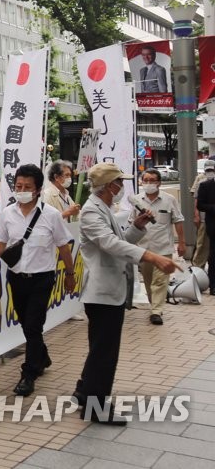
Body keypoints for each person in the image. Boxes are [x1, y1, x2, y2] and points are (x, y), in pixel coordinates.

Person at [74, 163, 178, 424]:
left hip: (111, 290)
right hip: (102, 292)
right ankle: (96, 407)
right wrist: (151, 256)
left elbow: (121, 241)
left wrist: (137, 226)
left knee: (101, 348)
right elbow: (109, 244)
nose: (122, 187)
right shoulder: (90, 211)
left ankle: (84, 391)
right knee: (105, 352)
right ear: (110, 186)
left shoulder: (104, 208)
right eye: (120, 182)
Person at [0, 164, 74, 396]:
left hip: (42, 279)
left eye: (27, 187)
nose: (22, 190)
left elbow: (64, 247)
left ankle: (29, 374)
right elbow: (0, 241)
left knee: (33, 325)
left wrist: (70, 274)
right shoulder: (8, 213)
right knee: (26, 323)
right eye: (18, 186)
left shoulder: (51, 215)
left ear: (37, 189)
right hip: (16, 277)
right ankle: (42, 356)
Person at [132, 168, 185, 325]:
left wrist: (181, 242)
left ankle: (156, 311)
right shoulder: (136, 200)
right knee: (148, 282)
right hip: (144, 249)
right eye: (146, 180)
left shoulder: (169, 200)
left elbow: (178, 220)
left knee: (160, 281)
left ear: (159, 183)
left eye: (152, 180)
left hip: (164, 248)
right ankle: (154, 305)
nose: (148, 183)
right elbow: (131, 223)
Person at [195, 160, 215, 295]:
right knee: (213, 255)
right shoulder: (205, 185)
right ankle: (213, 285)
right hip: (213, 225)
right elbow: (200, 205)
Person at [191, 161, 214, 269]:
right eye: (208, 170)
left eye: (212, 170)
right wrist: (196, 215)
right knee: (202, 245)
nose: (210, 172)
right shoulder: (200, 180)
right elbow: (196, 200)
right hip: (204, 219)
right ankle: (198, 269)